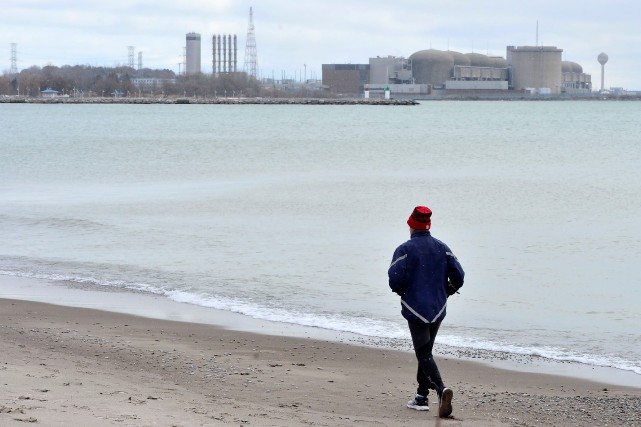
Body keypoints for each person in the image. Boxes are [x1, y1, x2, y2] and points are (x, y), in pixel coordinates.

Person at [388, 205, 465, 418]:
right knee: (427, 352)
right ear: (428, 226)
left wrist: (402, 291)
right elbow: (459, 276)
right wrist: (448, 291)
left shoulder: (404, 249)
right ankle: (421, 396)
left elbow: (394, 279)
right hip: (438, 307)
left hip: (416, 307)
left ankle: (441, 390)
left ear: (411, 225)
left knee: (423, 353)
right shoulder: (443, 248)